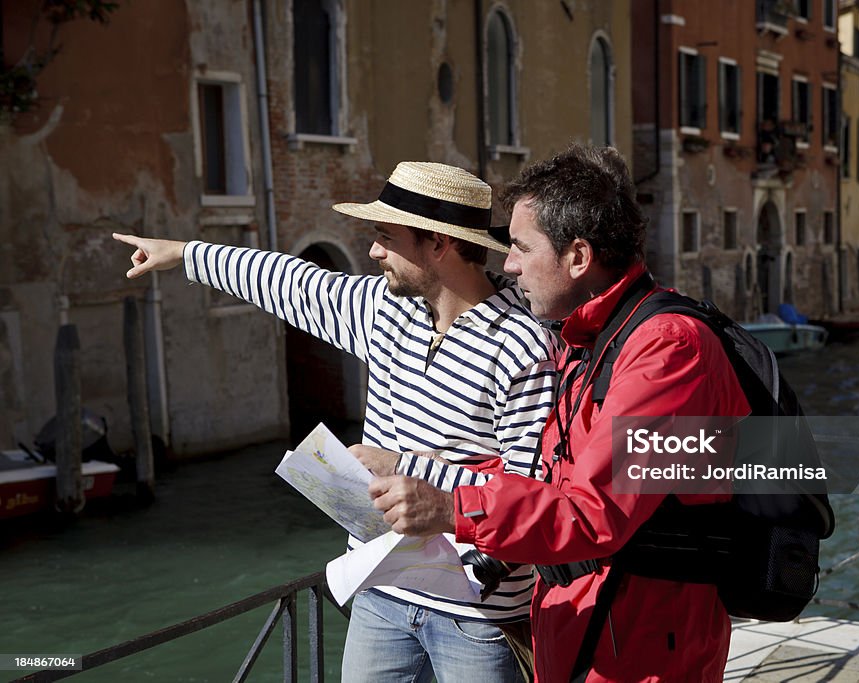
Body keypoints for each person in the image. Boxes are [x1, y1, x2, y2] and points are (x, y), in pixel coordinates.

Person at [112, 161, 558, 683]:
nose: (373, 251)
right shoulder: (387, 310)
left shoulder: (525, 345)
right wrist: (184, 255)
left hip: (478, 614)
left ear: (438, 245)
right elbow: (290, 283)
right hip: (378, 595)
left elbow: (531, 493)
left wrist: (404, 466)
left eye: (386, 238)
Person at [368, 145, 751, 682]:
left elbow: (595, 513)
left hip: (641, 650)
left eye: (522, 247)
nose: (508, 264)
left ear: (577, 256)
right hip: (587, 628)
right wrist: (422, 471)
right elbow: (549, 475)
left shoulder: (667, 350)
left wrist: (454, 508)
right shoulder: (587, 339)